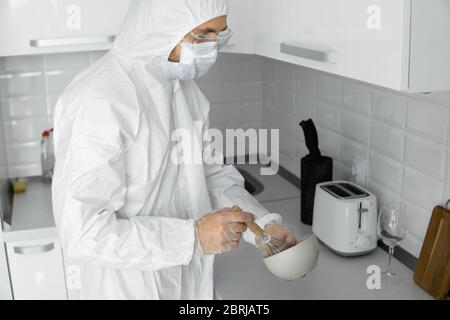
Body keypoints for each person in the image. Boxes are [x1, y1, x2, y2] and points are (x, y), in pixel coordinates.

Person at [52, 0, 296, 300]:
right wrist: (191, 238)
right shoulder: (100, 99)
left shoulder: (182, 88)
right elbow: (84, 234)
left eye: (218, 35)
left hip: (190, 282)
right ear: (162, 27)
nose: (212, 48)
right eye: (203, 35)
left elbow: (211, 175)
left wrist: (262, 227)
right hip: (127, 288)